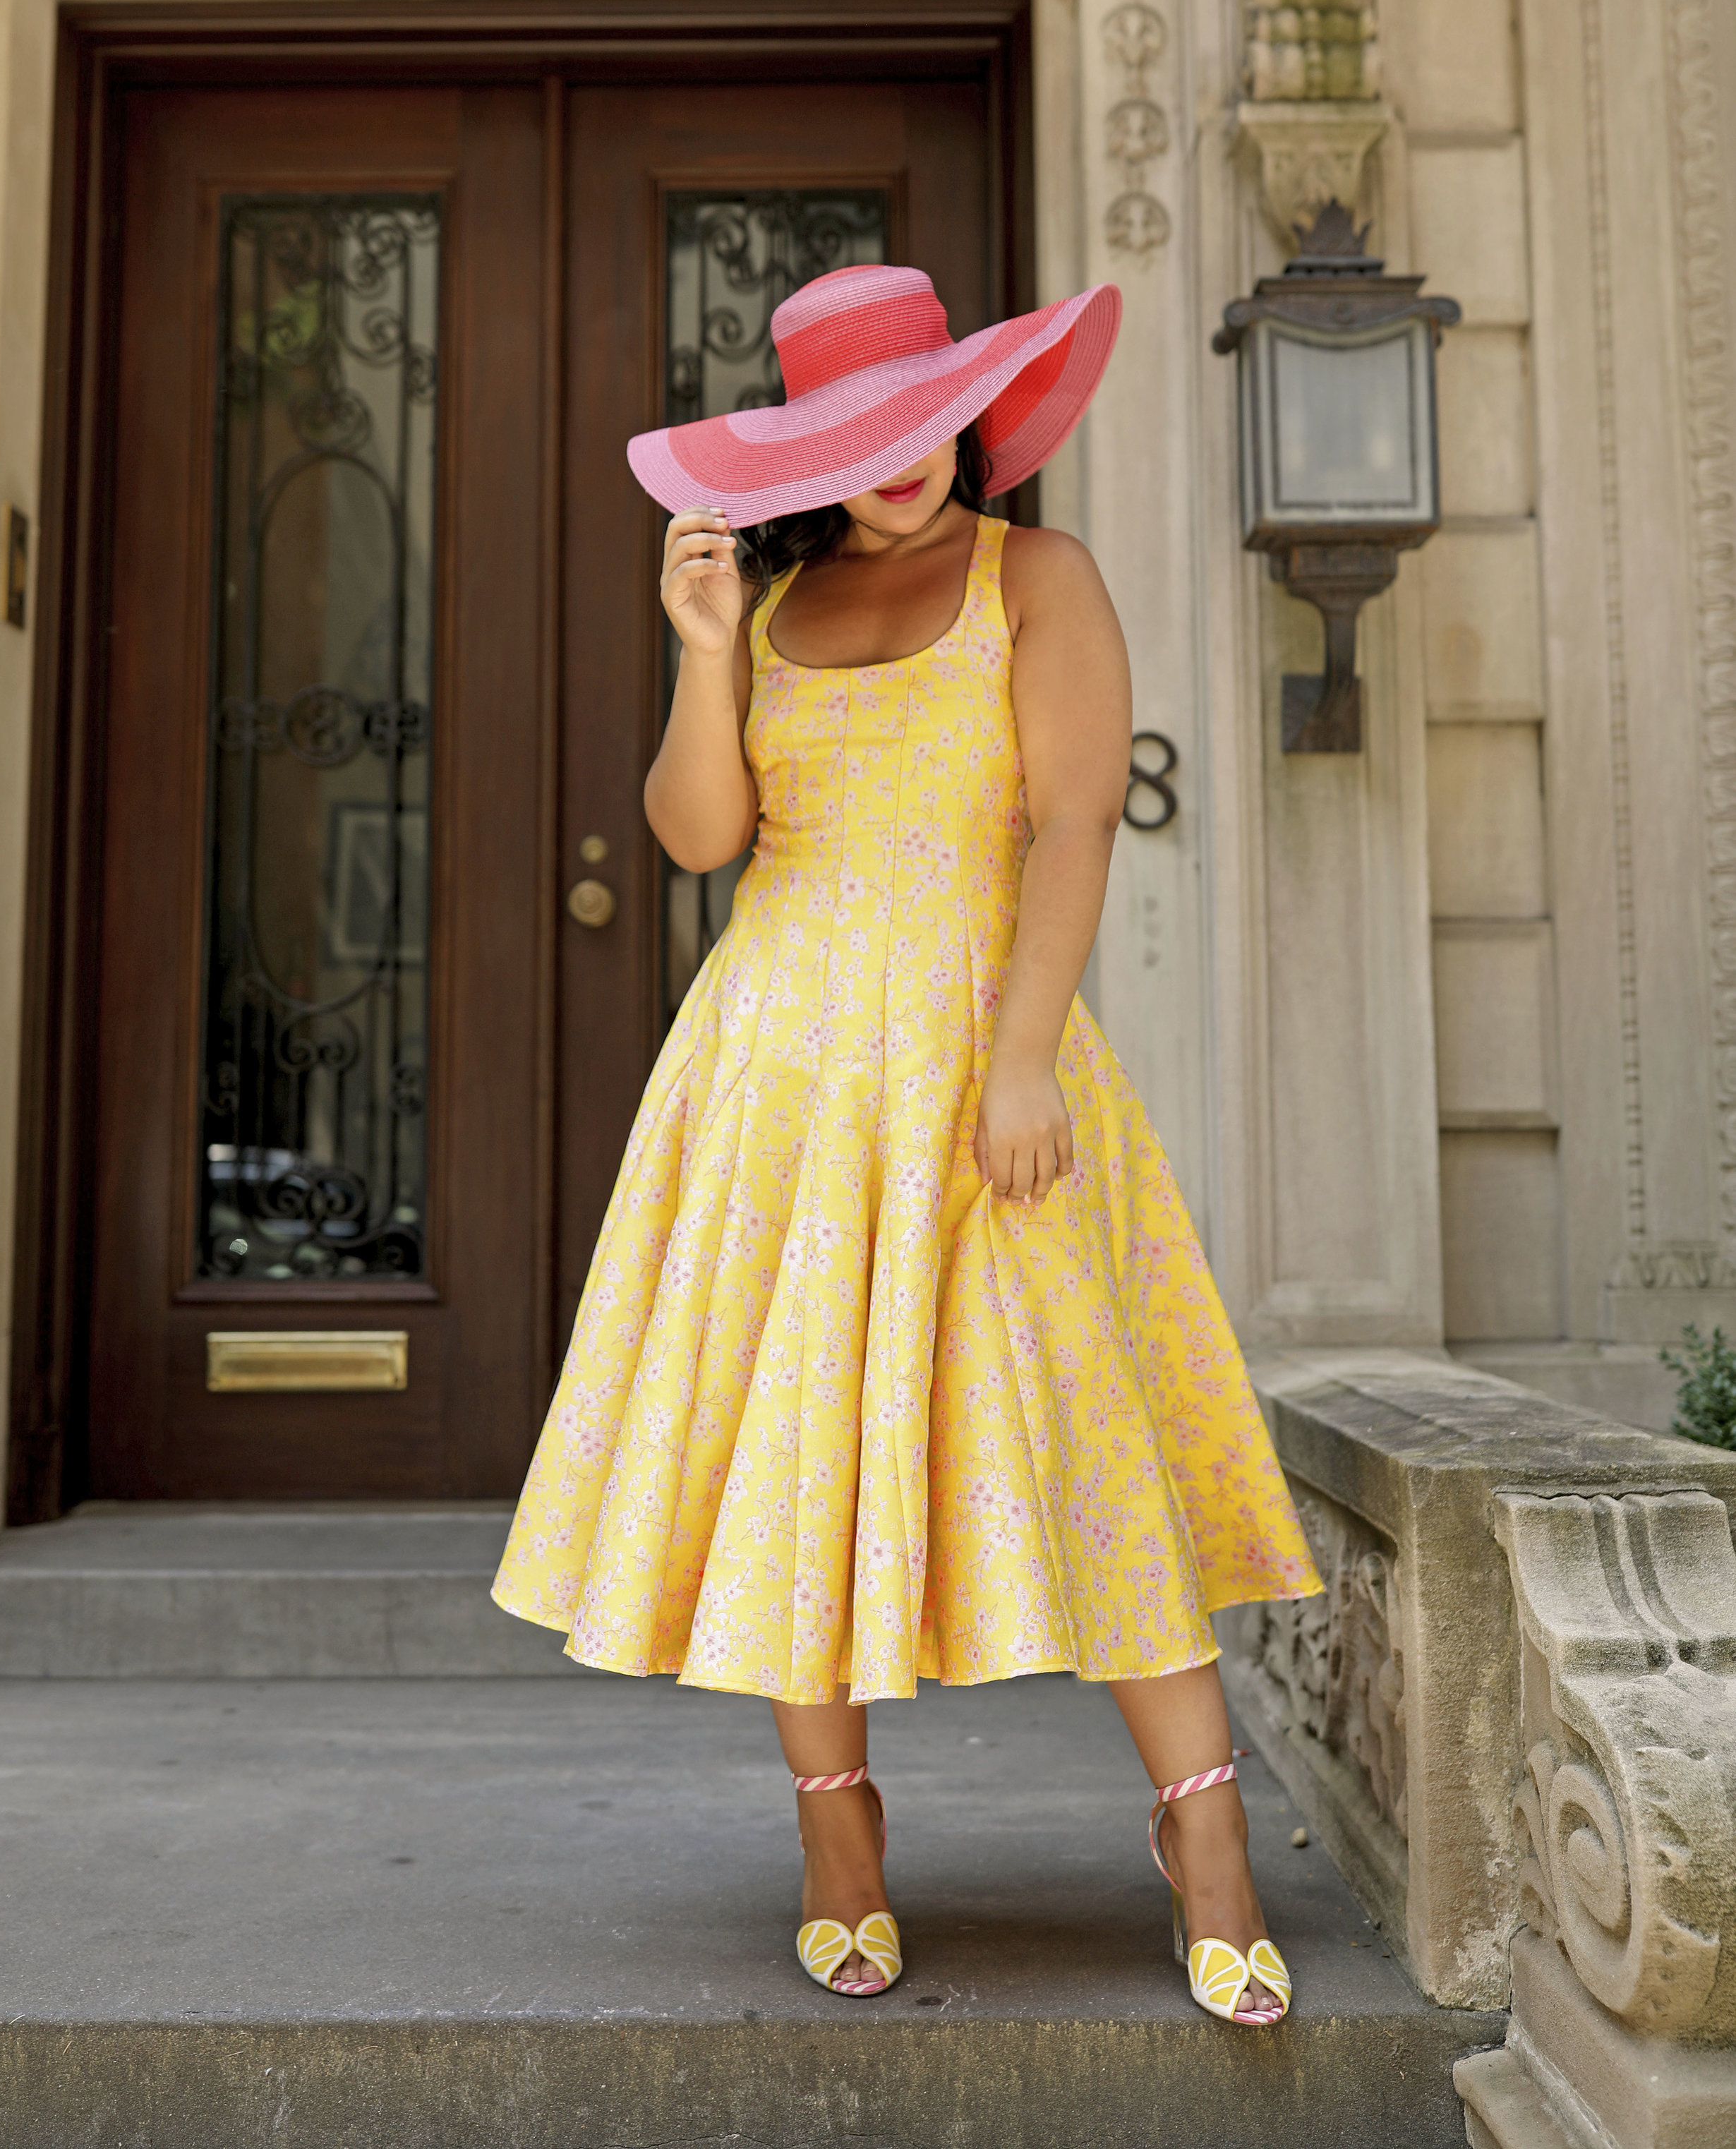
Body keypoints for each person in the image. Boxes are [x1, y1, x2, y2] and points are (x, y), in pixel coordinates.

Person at [494, 262, 1321, 2025]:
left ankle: (1206, 1834)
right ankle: (839, 1837)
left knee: (1080, 1420)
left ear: (966, 416)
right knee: (801, 1449)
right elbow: (702, 833)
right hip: (776, 1081)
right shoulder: (775, 597)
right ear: (802, 453)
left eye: (920, 423)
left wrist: (1021, 1059)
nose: (896, 463)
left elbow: (1076, 825)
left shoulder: (1040, 576)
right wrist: (704, 654)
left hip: (978, 1062)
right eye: (855, 436)